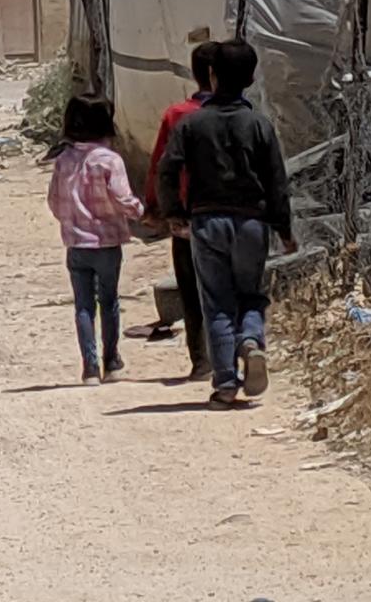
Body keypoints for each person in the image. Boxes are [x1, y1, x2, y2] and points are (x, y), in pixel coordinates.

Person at [155, 38, 293, 408]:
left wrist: (173, 212)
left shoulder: (192, 124)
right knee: (250, 294)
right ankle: (251, 340)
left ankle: (226, 385)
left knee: (216, 301)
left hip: (207, 221)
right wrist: (284, 229)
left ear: (211, 76)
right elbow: (277, 181)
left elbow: (167, 168)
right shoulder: (259, 124)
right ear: (250, 77)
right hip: (251, 223)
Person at [46, 95, 142, 384]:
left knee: (83, 306)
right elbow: (123, 198)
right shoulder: (109, 160)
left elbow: (54, 201)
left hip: (76, 243)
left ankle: (89, 367)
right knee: (109, 300)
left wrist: (71, 220)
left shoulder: (63, 160)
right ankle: (111, 361)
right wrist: (141, 211)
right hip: (107, 242)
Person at [146, 41, 221, 382]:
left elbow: (160, 167)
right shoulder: (242, 112)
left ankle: (202, 361)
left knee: (191, 289)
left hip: (187, 219)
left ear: (196, 73)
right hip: (228, 216)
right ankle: (233, 355)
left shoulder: (177, 116)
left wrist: (156, 207)